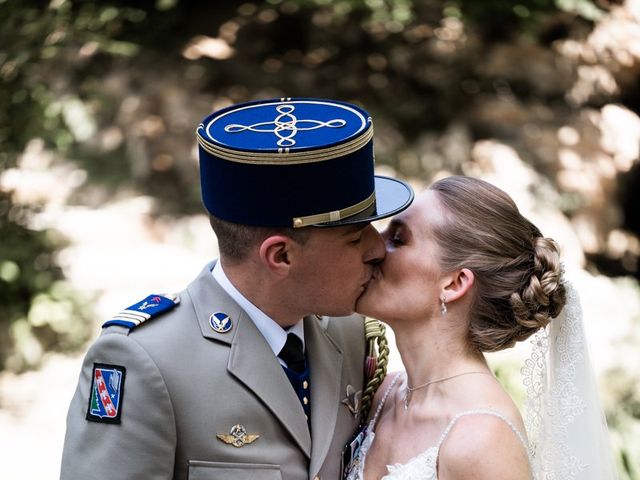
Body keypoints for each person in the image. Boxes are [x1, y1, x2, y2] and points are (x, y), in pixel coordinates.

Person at [60, 97, 414, 480]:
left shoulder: (349, 334)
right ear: (280, 256)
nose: (377, 247)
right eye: (353, 236)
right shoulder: (146, 361)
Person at [348, 175, 618, 480]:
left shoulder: (482, 439)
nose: (373, 247)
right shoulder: (387, 393)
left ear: (454, 284)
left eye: (398, 239)